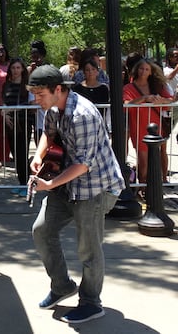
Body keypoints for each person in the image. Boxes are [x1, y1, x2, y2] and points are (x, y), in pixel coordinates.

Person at [27, 65, 123, 324]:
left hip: (95, 188)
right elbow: (48, 135)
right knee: (41, 231)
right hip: (66, 185)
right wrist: (38, 155)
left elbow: (82, 165)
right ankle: (62, 286)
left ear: (58, 89)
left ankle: (91, 302)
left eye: (40, 93)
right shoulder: (53, 109)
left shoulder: (83, 115)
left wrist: (49, 185)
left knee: (88, 249)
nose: (36, 99)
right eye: (34, 93)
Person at [122, 58, 172, 185]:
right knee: (143, 161)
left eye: (147, 69)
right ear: (136, 70)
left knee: (160, 154)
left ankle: (161, 182)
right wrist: (144, 98)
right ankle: (143, 186)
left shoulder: (156, 86)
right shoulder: (128, 87)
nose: (143, 71)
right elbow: (127, 104)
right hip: (138, 125)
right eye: (141, 68)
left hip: (156, 125)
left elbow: (169, 101)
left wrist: (160, 100)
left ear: (151, 72)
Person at [2, 58, 33, 196]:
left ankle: (27, 183)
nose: (15, 70)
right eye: (13, 68)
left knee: (22, 153)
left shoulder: (27, 86)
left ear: (22, 70)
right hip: (10, 122)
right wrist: (5, 114)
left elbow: (31, 105)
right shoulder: (7, 85)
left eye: (18, 68)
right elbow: (4, 102)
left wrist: (12, 111)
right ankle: (22, 182)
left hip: (24, 121)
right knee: (15, 153)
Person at [73, 58, 110, 126]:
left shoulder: (104, 88)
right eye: (87, 70)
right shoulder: (77, 89)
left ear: (97, 71)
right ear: (84, 72)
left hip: (100, 122)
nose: (90, 72)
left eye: (93, 69)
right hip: (83, 123)